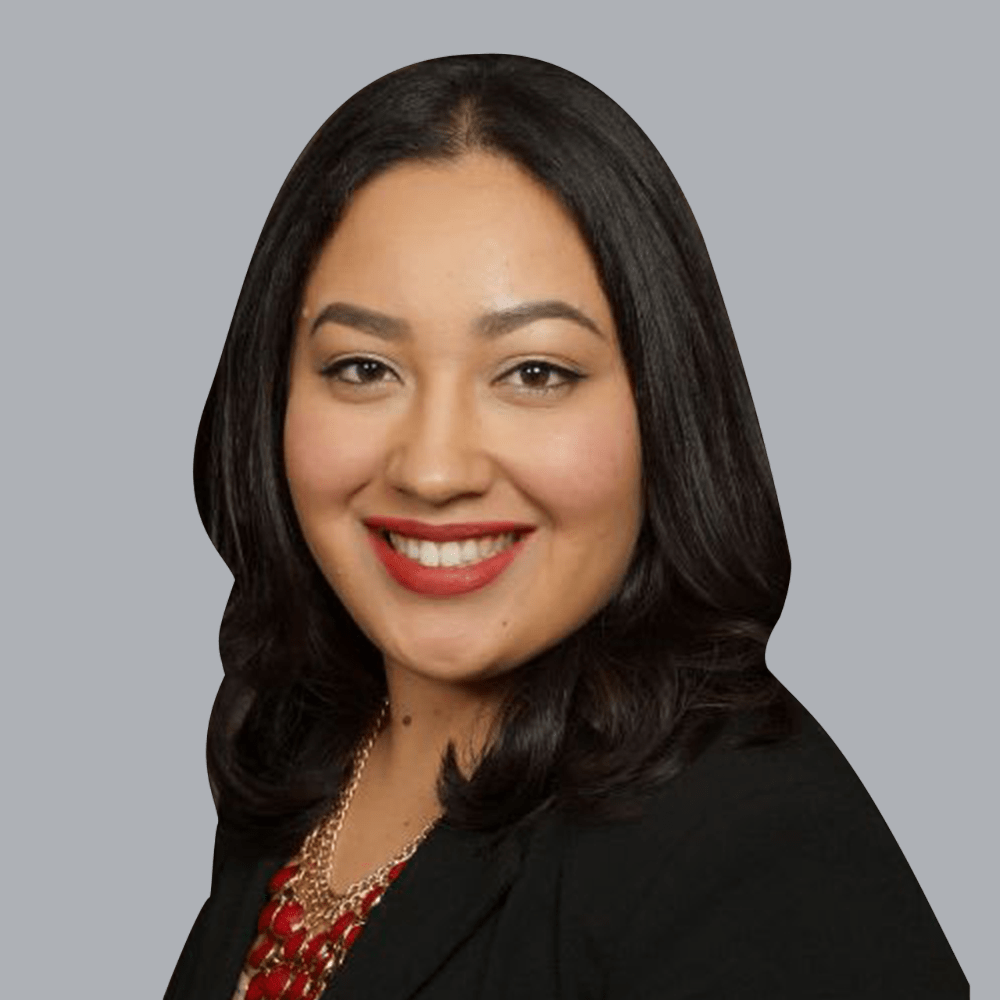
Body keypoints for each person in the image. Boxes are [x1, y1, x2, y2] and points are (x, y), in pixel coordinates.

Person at [165, 54, 967, 999]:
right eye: (363, 368)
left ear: (663, 411)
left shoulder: (761, 852)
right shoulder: (303, 740)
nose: (433, 470)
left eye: (535, 373)